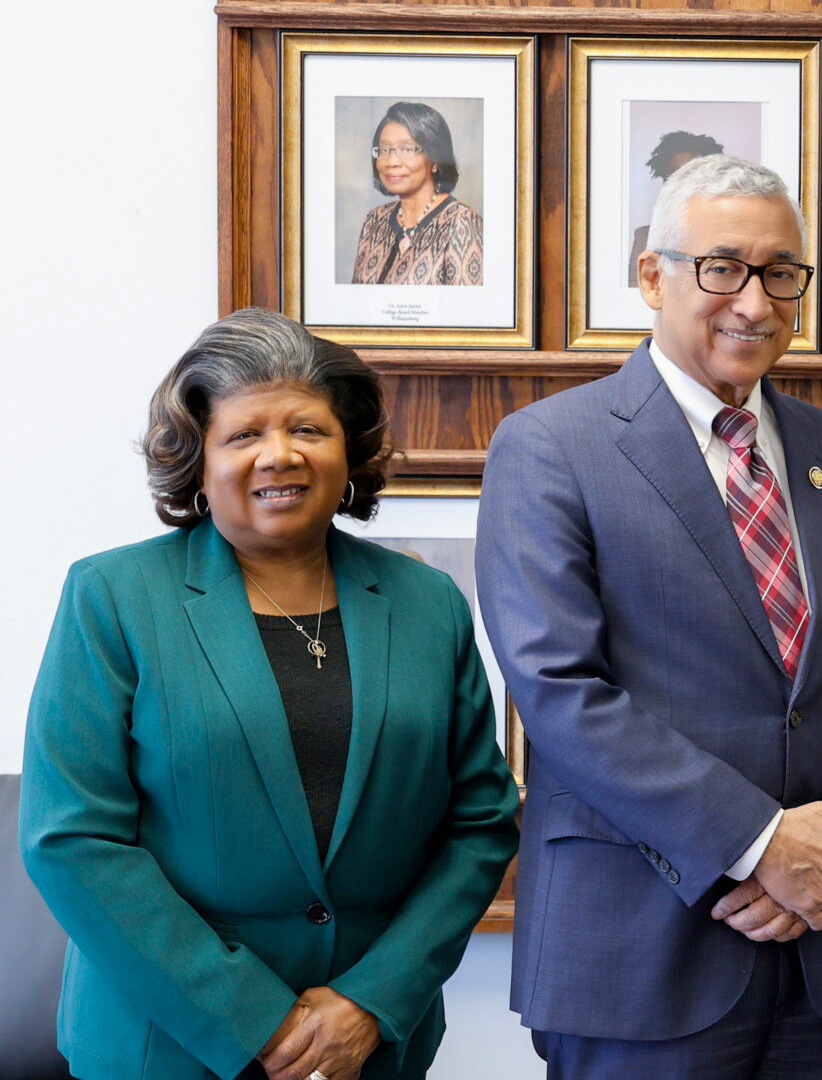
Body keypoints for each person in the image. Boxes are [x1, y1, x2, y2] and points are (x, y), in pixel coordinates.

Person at [477, 154, 822, 1080]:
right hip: (639, 948)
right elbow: (561, 693)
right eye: (721, 268)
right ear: (653, 274)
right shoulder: (550, 448)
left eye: (781, 275)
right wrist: (762, 845)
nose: (754, 304)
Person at [19, 308, 521, 1080]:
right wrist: (258, 1017)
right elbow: (71, 838)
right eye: (244, 434)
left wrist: (370, 1001)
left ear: (347, 450)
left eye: (308, 431)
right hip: (166, 1045)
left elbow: (481, 823)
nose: (279, 455)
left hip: (370, 1043)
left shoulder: (429, 603)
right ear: (198, 459)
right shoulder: (113, 596)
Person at [349, 101, 484, 286]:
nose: (391, 161)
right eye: (384, 150)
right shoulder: (374, 221)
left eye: (406, 149)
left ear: (435, 158)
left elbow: (469, 311)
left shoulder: (461, 223)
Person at [628, 130, 726, 286]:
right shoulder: (644, 239)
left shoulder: (732, 237)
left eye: (692, 176)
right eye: (673, 176)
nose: (682, 185)